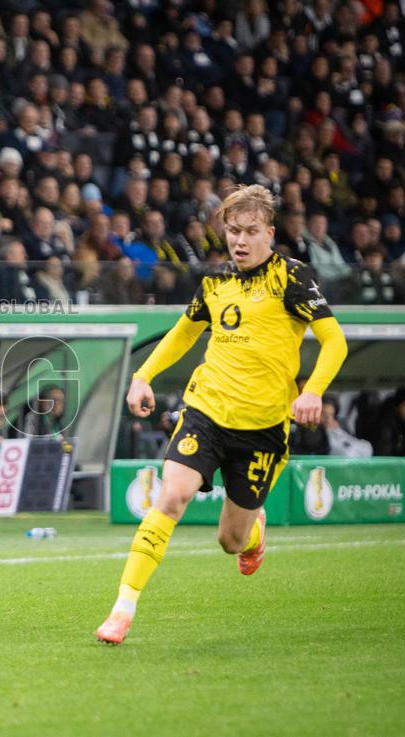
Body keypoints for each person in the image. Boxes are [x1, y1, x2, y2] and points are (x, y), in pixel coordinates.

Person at [96, 185, 348, 645]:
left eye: (250, 231)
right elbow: (183, 333)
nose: (240, 240)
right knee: (171, 497)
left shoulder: (292, 277)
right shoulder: (215, 280)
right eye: (233, 231)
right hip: (206, 411)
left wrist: (312, 391)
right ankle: (122, 609)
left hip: (263, 428)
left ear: (269, 233)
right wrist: (142, 375)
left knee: (231, 540)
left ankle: (253, 533)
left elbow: (335, 341)